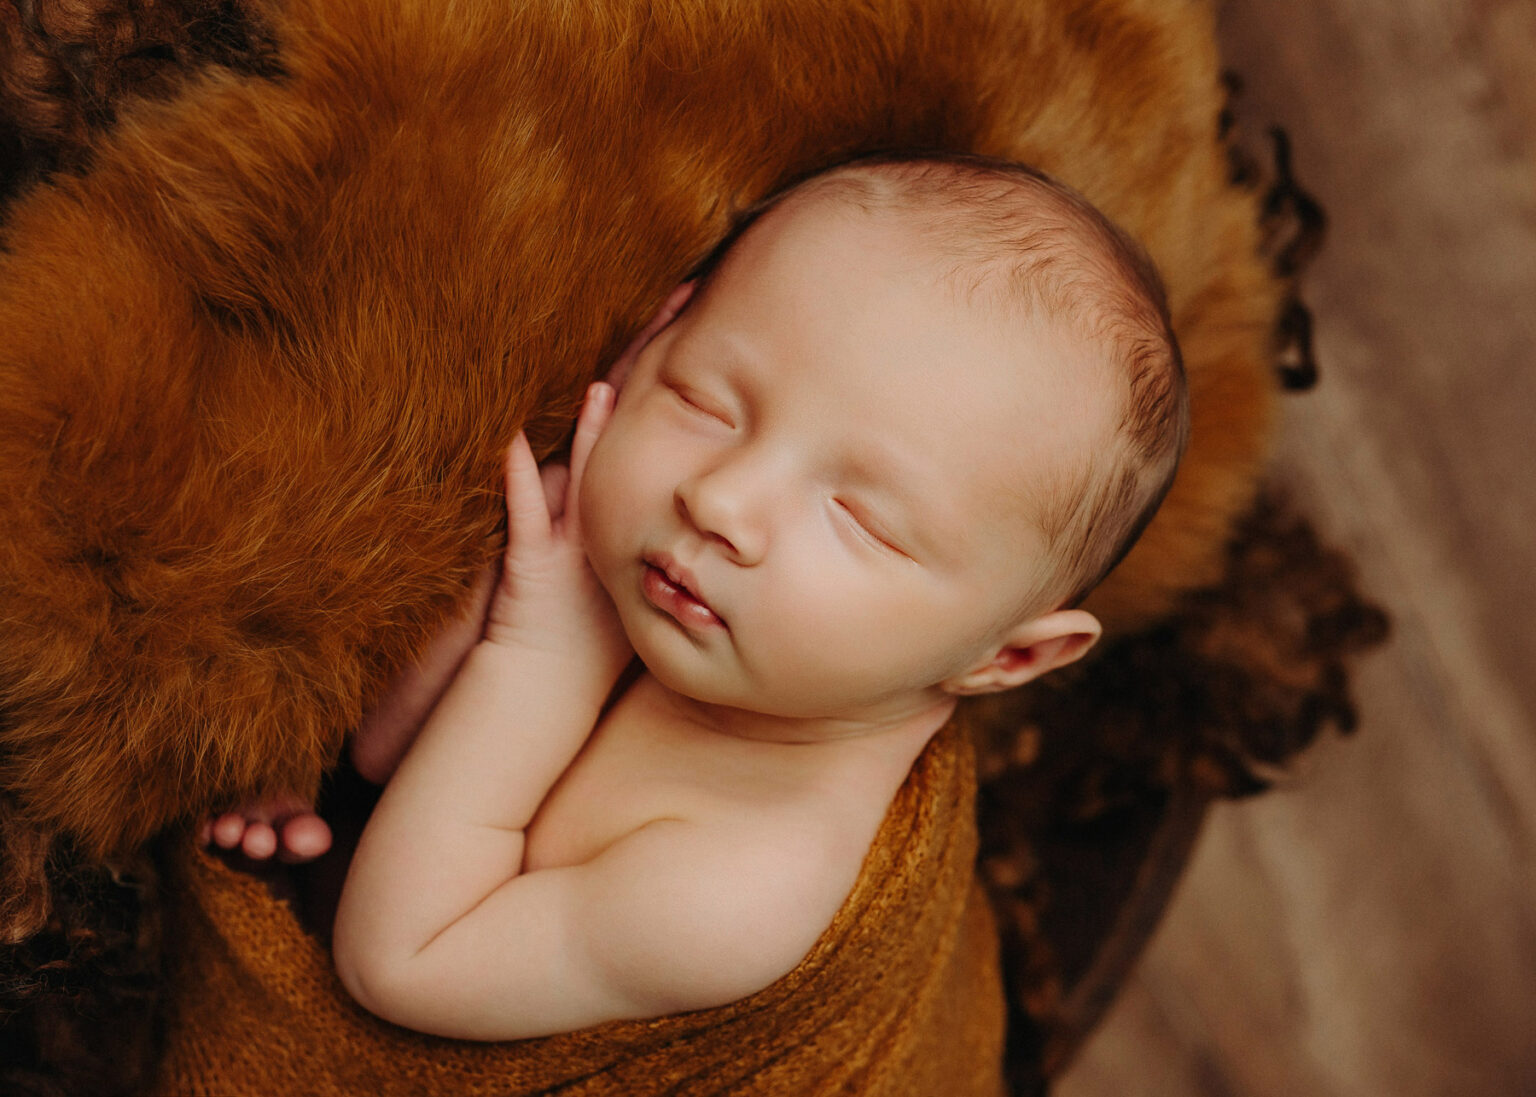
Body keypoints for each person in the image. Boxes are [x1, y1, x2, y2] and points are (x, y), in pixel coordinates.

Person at [204, 152, 1188, 1039]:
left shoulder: (740, 889)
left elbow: (400, 960)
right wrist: (301, 752)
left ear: (1003, 655)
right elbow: (385, 752)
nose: (719, 498)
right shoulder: (673, 565)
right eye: (706, 400)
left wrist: (546, 649)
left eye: (861, 519)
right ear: (655, 337)